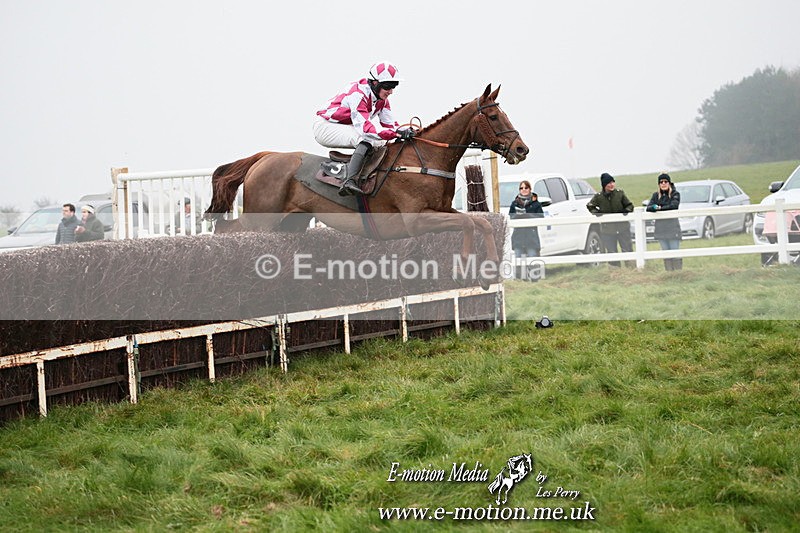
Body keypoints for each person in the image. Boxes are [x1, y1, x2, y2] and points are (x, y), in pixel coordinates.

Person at [314, 61, 413, 196]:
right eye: (388, 86)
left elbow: (391, 126)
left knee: (382, 143)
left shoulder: (382, 100)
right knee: (366, 138)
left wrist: (407, 132)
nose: (391, 91)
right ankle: (349, 181)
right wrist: (395, 133)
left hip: (346, 126)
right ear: (374, 83)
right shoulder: (358, 94)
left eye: (394, 86)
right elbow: (366, 129)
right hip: (326, 126)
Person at [586, 172, 634, 266]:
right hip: (607, 230)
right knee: (612, 252)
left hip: (623, 228)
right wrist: (597, 213)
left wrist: (626, 211)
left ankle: (631, 270)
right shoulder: (599, 196)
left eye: (613, 182)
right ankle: (615, 273)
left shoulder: (620, 193)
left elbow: (630, 205)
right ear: (604, 185)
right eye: (609, 183)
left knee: (627, 250)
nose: (611, 185)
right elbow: (590, 206)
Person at [647, 173, 682, 270]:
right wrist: (654, 207)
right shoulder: (655, 195)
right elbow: (648, 207)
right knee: (666, 253)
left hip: (672, 228)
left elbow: (674, 206)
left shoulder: (675, 194)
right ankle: (669, 274)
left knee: (675, 252)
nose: (663, 183)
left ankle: (678, 274)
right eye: (661, 182)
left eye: (665, 181)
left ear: (669, 183)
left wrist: (659, 208)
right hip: (661, 229)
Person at [509, 181, 544, 279]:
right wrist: (518, 215)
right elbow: (511, 218)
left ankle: (535, 279)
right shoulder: (514, 203)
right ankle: (520, 280)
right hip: (518, 237)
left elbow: (541, 218)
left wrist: (527, 214)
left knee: (533, 259)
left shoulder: (536, 204)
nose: (523, 190)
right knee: (518, 260)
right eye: (521, 188)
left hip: (531, 237)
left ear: (530, 189)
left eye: (526, 188)